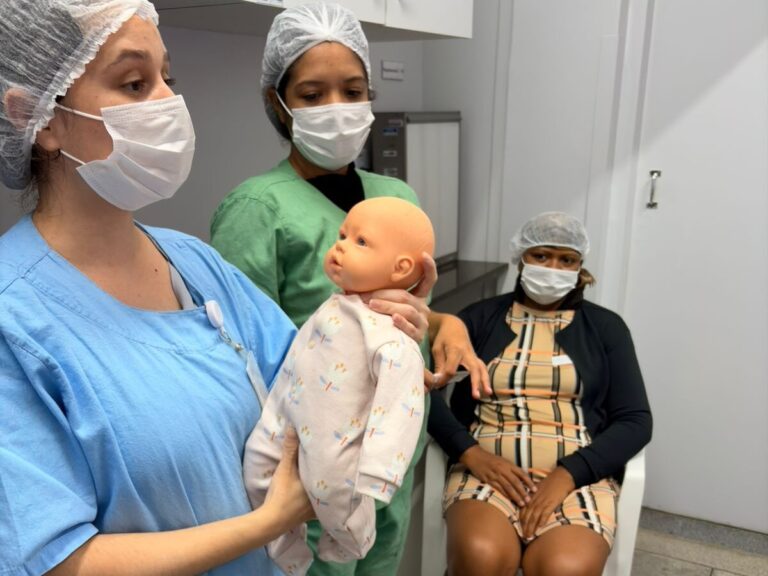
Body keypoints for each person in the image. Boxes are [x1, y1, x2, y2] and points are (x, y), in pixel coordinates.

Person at [0, 2, 428, 574]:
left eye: (167, 79)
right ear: (40, 117)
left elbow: (310, 384)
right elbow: (54, 560)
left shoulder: (193, 264)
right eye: (134, 82)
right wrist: (269, 522)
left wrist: (374, 325)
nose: (168, 103)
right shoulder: (16, 318)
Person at [210, 3, 490, 574]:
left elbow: (399, 316)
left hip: (390, 452)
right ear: (278, 104)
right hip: (310, 462)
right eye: (313, 95)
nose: (337, 108)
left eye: (352, 89)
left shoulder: (395, 200)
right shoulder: (257, 209)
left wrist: (444, 325)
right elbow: (235, 355)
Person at [428, 212, 653, 576]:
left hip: (579, 478)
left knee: (565, 568)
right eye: (541, 256)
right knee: (480, 556)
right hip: (487, 470)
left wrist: (567, 475)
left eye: (567, 260)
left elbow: (636, 420)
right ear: (522, 258)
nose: (553, 267)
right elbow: (423, 387)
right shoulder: (478, 319)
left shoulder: (607, 328)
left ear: (580, 266)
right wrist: (469, 453)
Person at [244, 197, 434, 575]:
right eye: (342, 235)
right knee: (255, 470)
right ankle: (288, 553)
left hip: (336, 441)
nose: (341, 245)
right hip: (287, 414)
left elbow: (401, 405)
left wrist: (381, 470)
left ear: (400, 269)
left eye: (361, 242)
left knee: (335, 498)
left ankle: (349, 540)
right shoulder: (334, 305)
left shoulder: (390, 337)